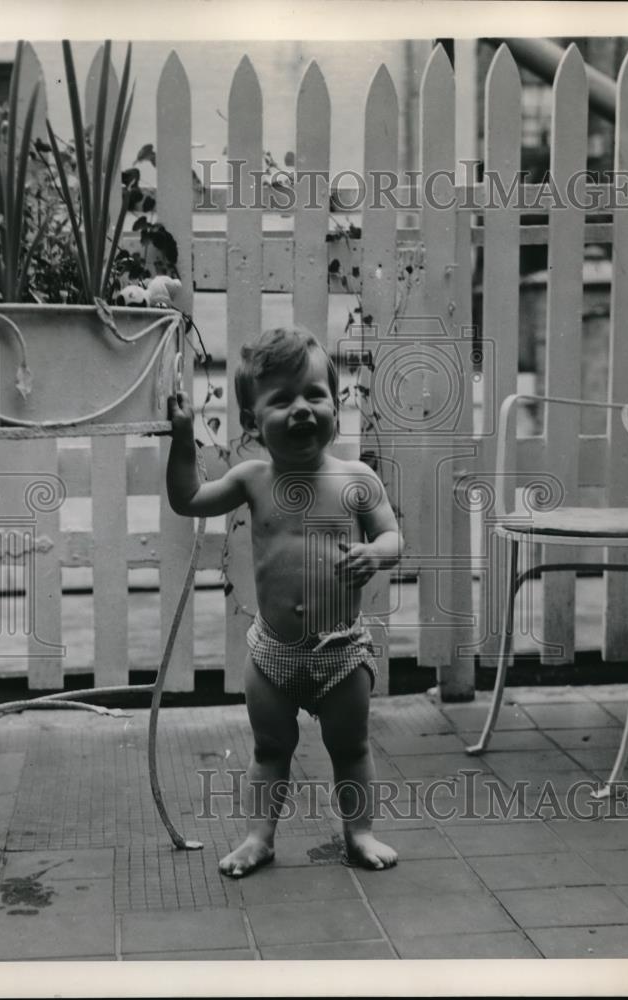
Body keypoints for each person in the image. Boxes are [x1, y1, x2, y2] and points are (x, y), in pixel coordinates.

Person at [166, 326, 403, 877]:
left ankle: (360, 832)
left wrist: (377, 553)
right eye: (282, 400)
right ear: (252, 421)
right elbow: (189, 499)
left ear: (336, 406)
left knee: (352, 748)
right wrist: (181, 442)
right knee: (269, 750)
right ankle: (259, 838)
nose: (301, 409)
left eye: (314, 396)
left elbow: (393, 536)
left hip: (342, 652)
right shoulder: (253, 478)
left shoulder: (356, 479)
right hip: (273, 655)